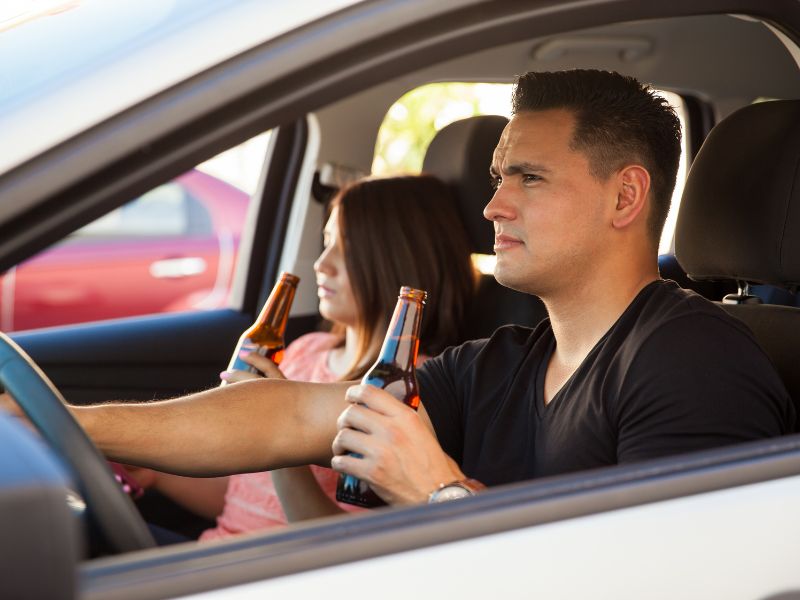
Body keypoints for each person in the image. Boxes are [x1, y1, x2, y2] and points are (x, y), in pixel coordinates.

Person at [10, 69, 795, 508]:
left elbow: (665, 583)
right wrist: (61, 423)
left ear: (626, 197)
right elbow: (289, 411)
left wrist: (441, 494)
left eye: (528, 176)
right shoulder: (501, 362)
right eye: (495, 177)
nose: (491, 205)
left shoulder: (693, 363)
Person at [127, 174, 476, 539]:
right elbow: (248, 499)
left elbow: (344, 546)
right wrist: (155, 476)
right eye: (326, 243)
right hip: (216, 548)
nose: (322, 263)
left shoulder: (404, 390)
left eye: (347, 248)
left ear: (396, 259)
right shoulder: (307, 350)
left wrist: (277, 438)